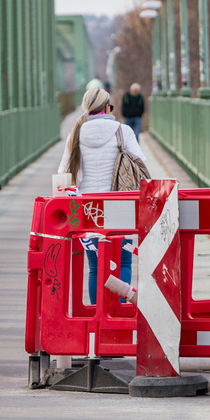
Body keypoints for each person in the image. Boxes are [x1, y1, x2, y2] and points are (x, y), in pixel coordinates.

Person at [58, 86, 147, 304]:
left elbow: (63, 174)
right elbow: (141, 165)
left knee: (95, 267)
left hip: (89, 210)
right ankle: (118, 312)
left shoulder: (76, 134)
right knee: (123, 263)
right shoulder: (122, 131)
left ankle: (98, 315)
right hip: (120, 207)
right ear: (107, 106)